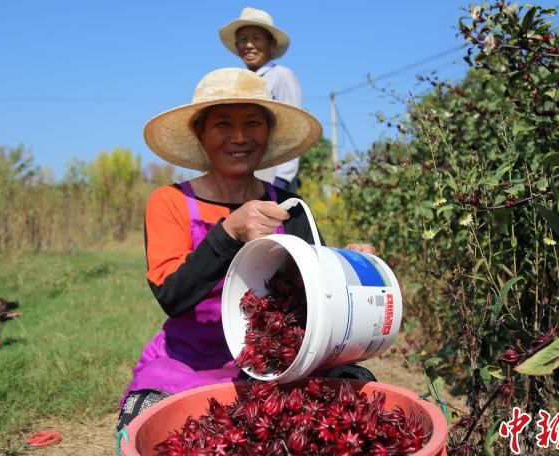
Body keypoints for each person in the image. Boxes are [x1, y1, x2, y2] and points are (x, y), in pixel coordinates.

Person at [117, 68, 374, 431]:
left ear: (268, 135)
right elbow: (172, 296)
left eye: (253, 123)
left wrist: (351, 268)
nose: (239, 137)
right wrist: (230, 231)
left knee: (357, 393)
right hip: (191, 364)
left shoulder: (290, 207)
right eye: (222, 124)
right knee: (150, 423)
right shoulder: (170, 202)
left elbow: (319, 301)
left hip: (280, 364)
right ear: (200, 134)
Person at [219, 7, 302, 193]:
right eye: (243, 39)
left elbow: (292, 130)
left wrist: (281, 180)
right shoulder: (238, 83)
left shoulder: (281, 77)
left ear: (271, 43)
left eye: (256, 38)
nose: (249, 45)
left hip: (273, 176)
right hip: (245, 177)